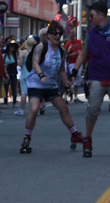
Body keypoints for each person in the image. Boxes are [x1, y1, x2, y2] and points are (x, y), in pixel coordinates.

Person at [73, 2, 110, 159]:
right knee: (93, 109)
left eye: (91, 15)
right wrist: (74, 70)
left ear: (100, 15)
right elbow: (83, 53)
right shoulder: (90, 34)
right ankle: (88, 139)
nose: (90, 18)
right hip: (96, 77)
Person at [20, 22, 84, 154]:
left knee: (63, 107)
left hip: (50, 84)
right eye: (54, 33)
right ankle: (27, 137)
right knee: (34, 109)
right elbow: (35, 62)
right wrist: (41, 75)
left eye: (60, 34)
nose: (57, 36)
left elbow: (61, 70)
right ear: (48, 35)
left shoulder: (61, 51)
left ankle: (74, 134)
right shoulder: (41, 47)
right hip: (36, 83)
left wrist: (67, 83)